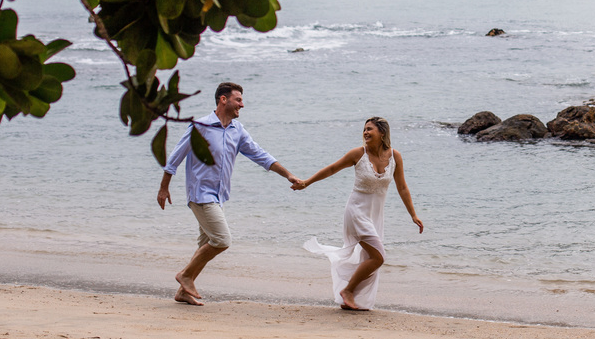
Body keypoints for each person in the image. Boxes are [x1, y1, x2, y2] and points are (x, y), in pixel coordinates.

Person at [157, 81, 301, 305]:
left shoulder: (237, 130)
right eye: (238, 100)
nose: (242, 105)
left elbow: (259, 154)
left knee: (205, 243)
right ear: (223, 100)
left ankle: (183, 292)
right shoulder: (201, 126)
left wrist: (288, 175)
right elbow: (176, 156)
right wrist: (164, 187)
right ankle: (185, 276)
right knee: (222, 240)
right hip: (200, 194)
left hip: (218, 195)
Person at [294, 117, 423, 310]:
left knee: (369, 258)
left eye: (370, 129)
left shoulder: (395, 156)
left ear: (382, 133)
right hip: (356, 211)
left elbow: (402, 187)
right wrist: (306, 182)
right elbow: (332, 169)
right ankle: (348, 291)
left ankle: (351, 296)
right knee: (378, 256)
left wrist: (413, 215)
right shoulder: (358, 154)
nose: (365, 133)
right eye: (364, 129)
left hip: (375, 215)